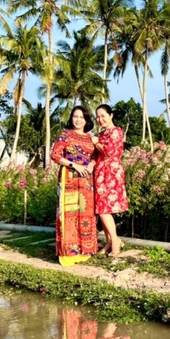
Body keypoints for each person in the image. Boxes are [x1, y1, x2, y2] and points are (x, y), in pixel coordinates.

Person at [51, 106, 98, 266]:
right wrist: (74, 165)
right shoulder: (66, 135)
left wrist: (91, 165)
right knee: (68, 214)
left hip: (86, 180)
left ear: (86, 120)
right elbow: (55, 155)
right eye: (75, 116)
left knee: (85, 214)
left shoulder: (91, 138)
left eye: (81, 117)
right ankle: (68, 253)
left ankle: (85, 250)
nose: (78, 120)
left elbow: (96, 156)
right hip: (69, 178)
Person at [93, 104, 129, 256]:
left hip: (111, 173)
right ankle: (109, 241)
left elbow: (108, 152)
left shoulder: (116, 131)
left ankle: (115, 241)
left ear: (111, 115)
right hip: (100, 172)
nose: (100, 119)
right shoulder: (101, 135)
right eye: (98, 117)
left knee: (103, 209)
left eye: (103, 116)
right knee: (102, 208)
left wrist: (95, 142)